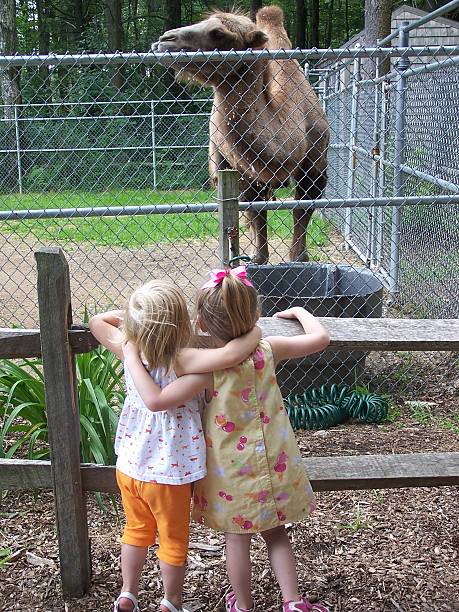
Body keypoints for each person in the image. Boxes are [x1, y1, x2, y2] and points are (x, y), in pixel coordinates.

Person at [125, 266, 331, 612]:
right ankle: (293, 602)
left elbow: (159, 400)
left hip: (231, 475)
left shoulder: (206, 371)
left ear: (201, 324)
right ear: (256, 313)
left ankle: (243, 606)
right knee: (277, 533)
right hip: (274, 464)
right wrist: (300, 311)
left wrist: (131, 350)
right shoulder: (270, 349)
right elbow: (320, 339)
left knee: (237, 540)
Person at [89, 279, 261, 612]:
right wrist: (256, 331)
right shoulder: (186, 361)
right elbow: (234, 352)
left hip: (130, 466)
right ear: (183, 324)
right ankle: (171, 600)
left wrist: (134, 327)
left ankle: (128, 592)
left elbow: (97, 321)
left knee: (136, 530)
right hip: (170, 472)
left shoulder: (129, 349)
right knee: (172, 540)